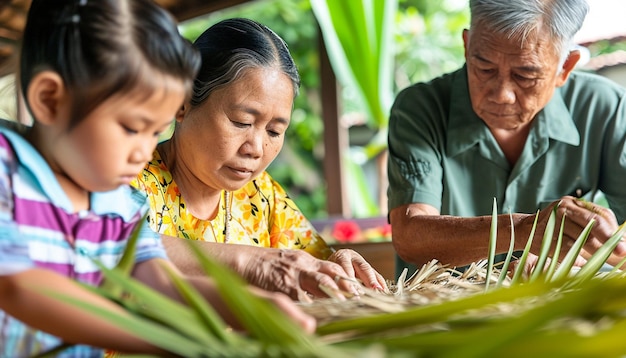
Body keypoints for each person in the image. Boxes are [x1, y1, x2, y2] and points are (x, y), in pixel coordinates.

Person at [0, 1, 314, 357]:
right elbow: (19, 288)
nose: (143, 152)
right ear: (50, 99)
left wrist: (248, 307)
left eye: (155, 132)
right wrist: (167, 340)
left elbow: (160, 281)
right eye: (132, 128)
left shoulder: (117, 201)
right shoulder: (6, 172)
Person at [133, 18, 387, 299]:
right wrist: (249, 262)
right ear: (182, 105)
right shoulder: (127, 177)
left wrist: (339, 266)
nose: (255, 148)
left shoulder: (261, 197)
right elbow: (109, 246)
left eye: (275, 131)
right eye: (241, 122)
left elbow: (311, 267)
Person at [387, 0, 626, 276]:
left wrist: (573, 262)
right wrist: (526, 231)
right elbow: (410, 236)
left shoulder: (607, 109)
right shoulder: (420, 108)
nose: (502, 94)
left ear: (565, 68)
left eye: (525, 75)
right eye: (484, 69)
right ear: (466, 46)